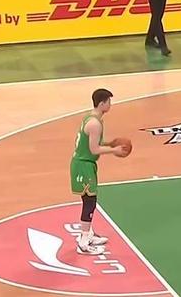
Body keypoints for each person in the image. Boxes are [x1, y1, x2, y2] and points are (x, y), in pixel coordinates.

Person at [70, 88, 130, 254]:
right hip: (83, 165)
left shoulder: (91, 118)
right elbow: (94, 149)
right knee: (89, 201)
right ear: (102, 103)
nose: (110, 104)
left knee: (89, 200)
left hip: (85, 163)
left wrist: (110, 143)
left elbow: (94, 142)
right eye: (109, 101)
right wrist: (114, 150)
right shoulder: (95, 124)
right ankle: (83, 242)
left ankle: (88, 234)